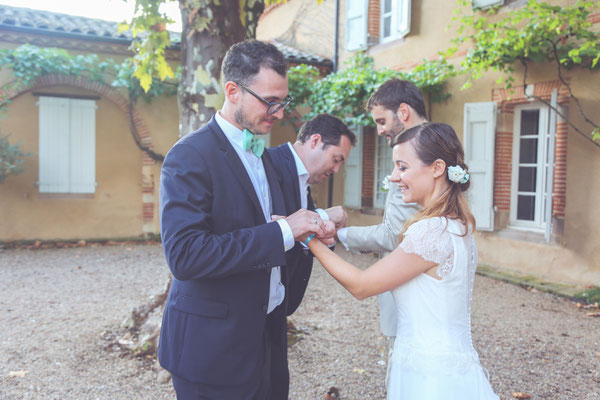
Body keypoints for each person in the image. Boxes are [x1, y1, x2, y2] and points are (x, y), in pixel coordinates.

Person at [158, 40, 329, 400]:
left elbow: (266, 231)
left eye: (282, 101)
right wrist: (284, 230)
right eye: (270, 102)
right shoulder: (188, 156)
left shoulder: (264, 155)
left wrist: (306, 233)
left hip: (266, 336)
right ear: (233, 91)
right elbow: (186, 255)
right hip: (212, 349)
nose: (279, 113)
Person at [305, 122, 500, 399]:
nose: (394, 177)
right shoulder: (457, 226)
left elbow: (361, 285)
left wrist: (308, 237)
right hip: (449, 366)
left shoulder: (431, 230)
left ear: (437, 168)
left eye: (403, 167)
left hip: (429, 376)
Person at [336, 79, 425, 361]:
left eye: (382, 120)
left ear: (404, 111)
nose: (380, 129)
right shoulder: (439, 144)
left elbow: (392, 234)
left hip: (411, 285)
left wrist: (339, 235)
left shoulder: (418, 153)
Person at [268, 114, 356, 315]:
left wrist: (326, 230)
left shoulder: (304, 179)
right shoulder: (269, 164)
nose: (336, 169)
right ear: (315, 141)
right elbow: (271, 225)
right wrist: (323, 215)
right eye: (336, 160)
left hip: (282, 306)